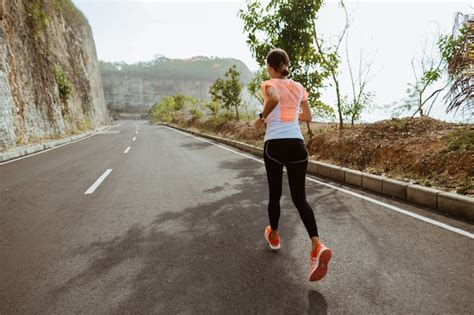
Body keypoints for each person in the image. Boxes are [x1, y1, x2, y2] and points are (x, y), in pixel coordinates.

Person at [255, 48, 332, 282]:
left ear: (270, 67)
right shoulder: (299, 88)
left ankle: (275, 236)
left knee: (275, 194)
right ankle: (317, 245)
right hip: (298, 145)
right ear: (286, 64)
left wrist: (262, 118)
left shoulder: (269, 84)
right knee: (300, 198)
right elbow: (307, 116)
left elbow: (275, 98)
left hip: (275, 145)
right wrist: (289, 114)